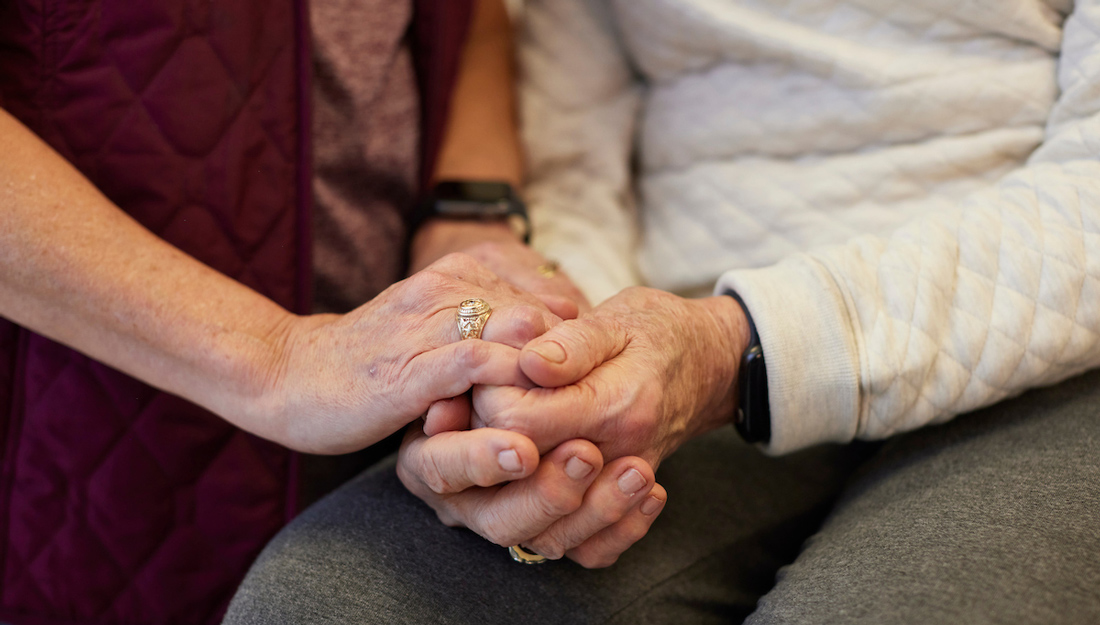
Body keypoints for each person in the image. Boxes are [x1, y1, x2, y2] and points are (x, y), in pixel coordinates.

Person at [225, 0, 1100, 623]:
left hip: (1044, 340)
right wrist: (556, 379)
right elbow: (575, 153)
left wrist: (734, 350)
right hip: (687, 337)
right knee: (325, 598)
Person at [0, 0, 651, 623]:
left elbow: (470, 23)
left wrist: (463, 214)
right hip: (89, 442)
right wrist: (274, 356)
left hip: (373, 418)